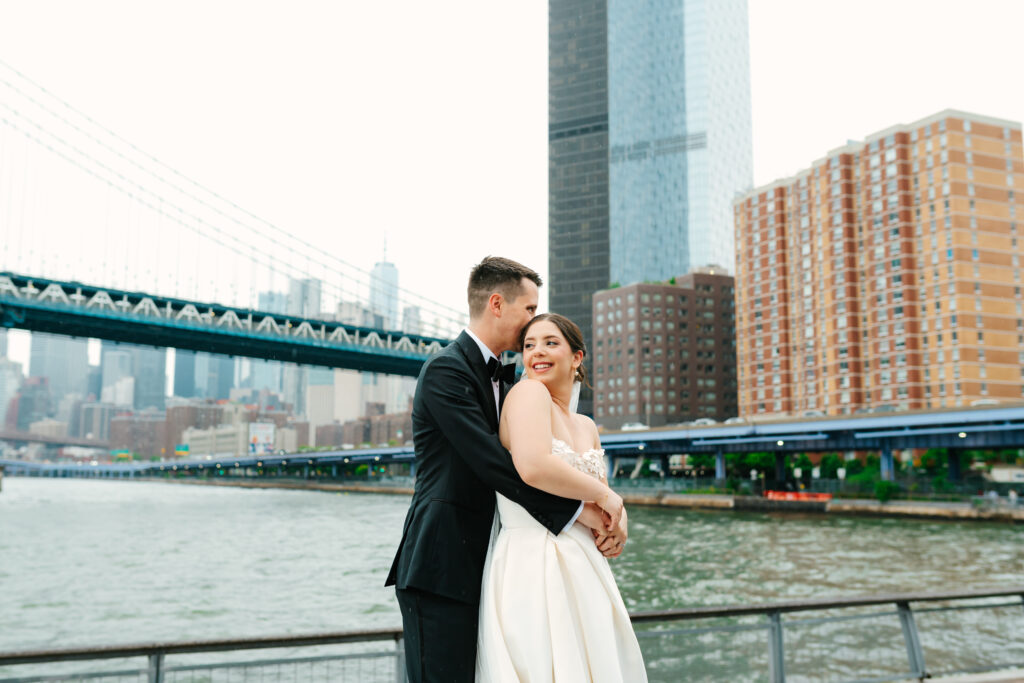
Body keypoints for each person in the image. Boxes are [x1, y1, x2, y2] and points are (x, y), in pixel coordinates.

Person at [386, 257, 627, 682]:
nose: (533, 323)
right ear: (497, 304)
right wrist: (582, 510)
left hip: (495, 561)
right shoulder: (446, 370)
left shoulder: (516, 383)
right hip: (443, 565)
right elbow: (495, 464)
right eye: (530, 309)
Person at [476, 312, 646, 681]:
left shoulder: (587, 425)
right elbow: (534, 466)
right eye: (528, 345)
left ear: (577, 357)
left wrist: (618, 524)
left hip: (586, 565)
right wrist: (607, 496)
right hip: (536, 561)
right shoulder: (527, 392)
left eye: (551, 343)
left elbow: (597, 499)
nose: (537, 352)